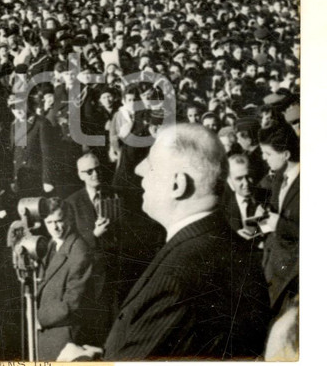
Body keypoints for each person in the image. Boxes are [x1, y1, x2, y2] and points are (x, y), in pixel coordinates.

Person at [100, 124, 270, 360]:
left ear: (177, 185)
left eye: (150, 166)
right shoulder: (233, 247)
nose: (138, 170)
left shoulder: (177, 278)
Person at [36, 197, 104, 360]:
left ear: (69, 219)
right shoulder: (52, 245)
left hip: (65, 338)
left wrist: (40, 318)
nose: (55, 228)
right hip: (50, 334)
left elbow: (72, 304)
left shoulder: (79, 250)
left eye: (59, 221)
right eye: (50, 222)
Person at [258, 124, 299, 314]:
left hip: (292, 275)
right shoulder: (279, 177)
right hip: (273, 265)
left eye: (268, 153)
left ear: (286, 155)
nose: (263, 158)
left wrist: (279, 225)